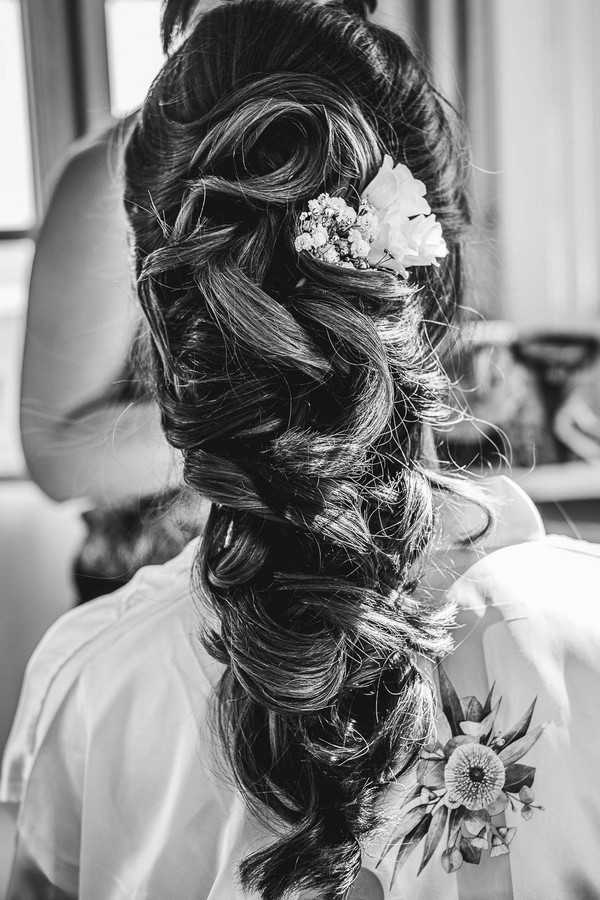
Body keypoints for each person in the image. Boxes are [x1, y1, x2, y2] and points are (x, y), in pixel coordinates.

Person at [3, 1, 600, 897]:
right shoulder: (581, 627)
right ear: (428, 285)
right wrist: (293, 415)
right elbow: (56, 444)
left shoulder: (89, 685)